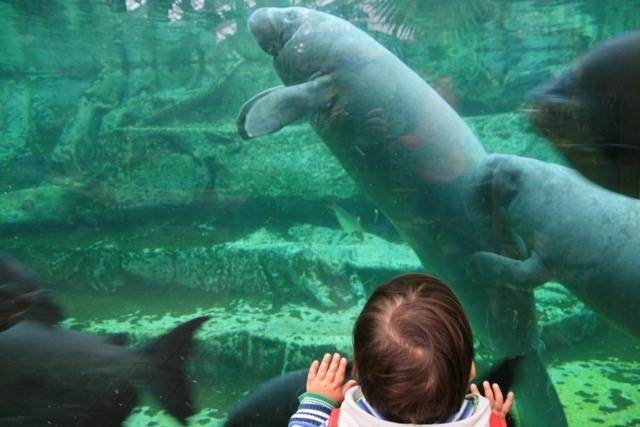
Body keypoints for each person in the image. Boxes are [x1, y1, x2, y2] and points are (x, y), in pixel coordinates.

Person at [288, 273, 515, 427]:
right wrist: (492, 419)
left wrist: (317, 402)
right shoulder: (490, 422)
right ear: (469, 371)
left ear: (356, 370)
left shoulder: (342, 421)